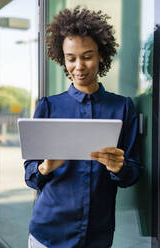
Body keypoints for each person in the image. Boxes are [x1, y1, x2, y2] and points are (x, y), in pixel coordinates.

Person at [25, 6, 142, 248]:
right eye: (71, 58)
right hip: (47, 235)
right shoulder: (47, 107)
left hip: (97, 236)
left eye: (87, 56)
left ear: (101, 55)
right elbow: (31, 176)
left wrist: (118, 167)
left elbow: (133, 172)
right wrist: (46, 166)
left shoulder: (123, 108)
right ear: (62, 58)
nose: (79, 66)